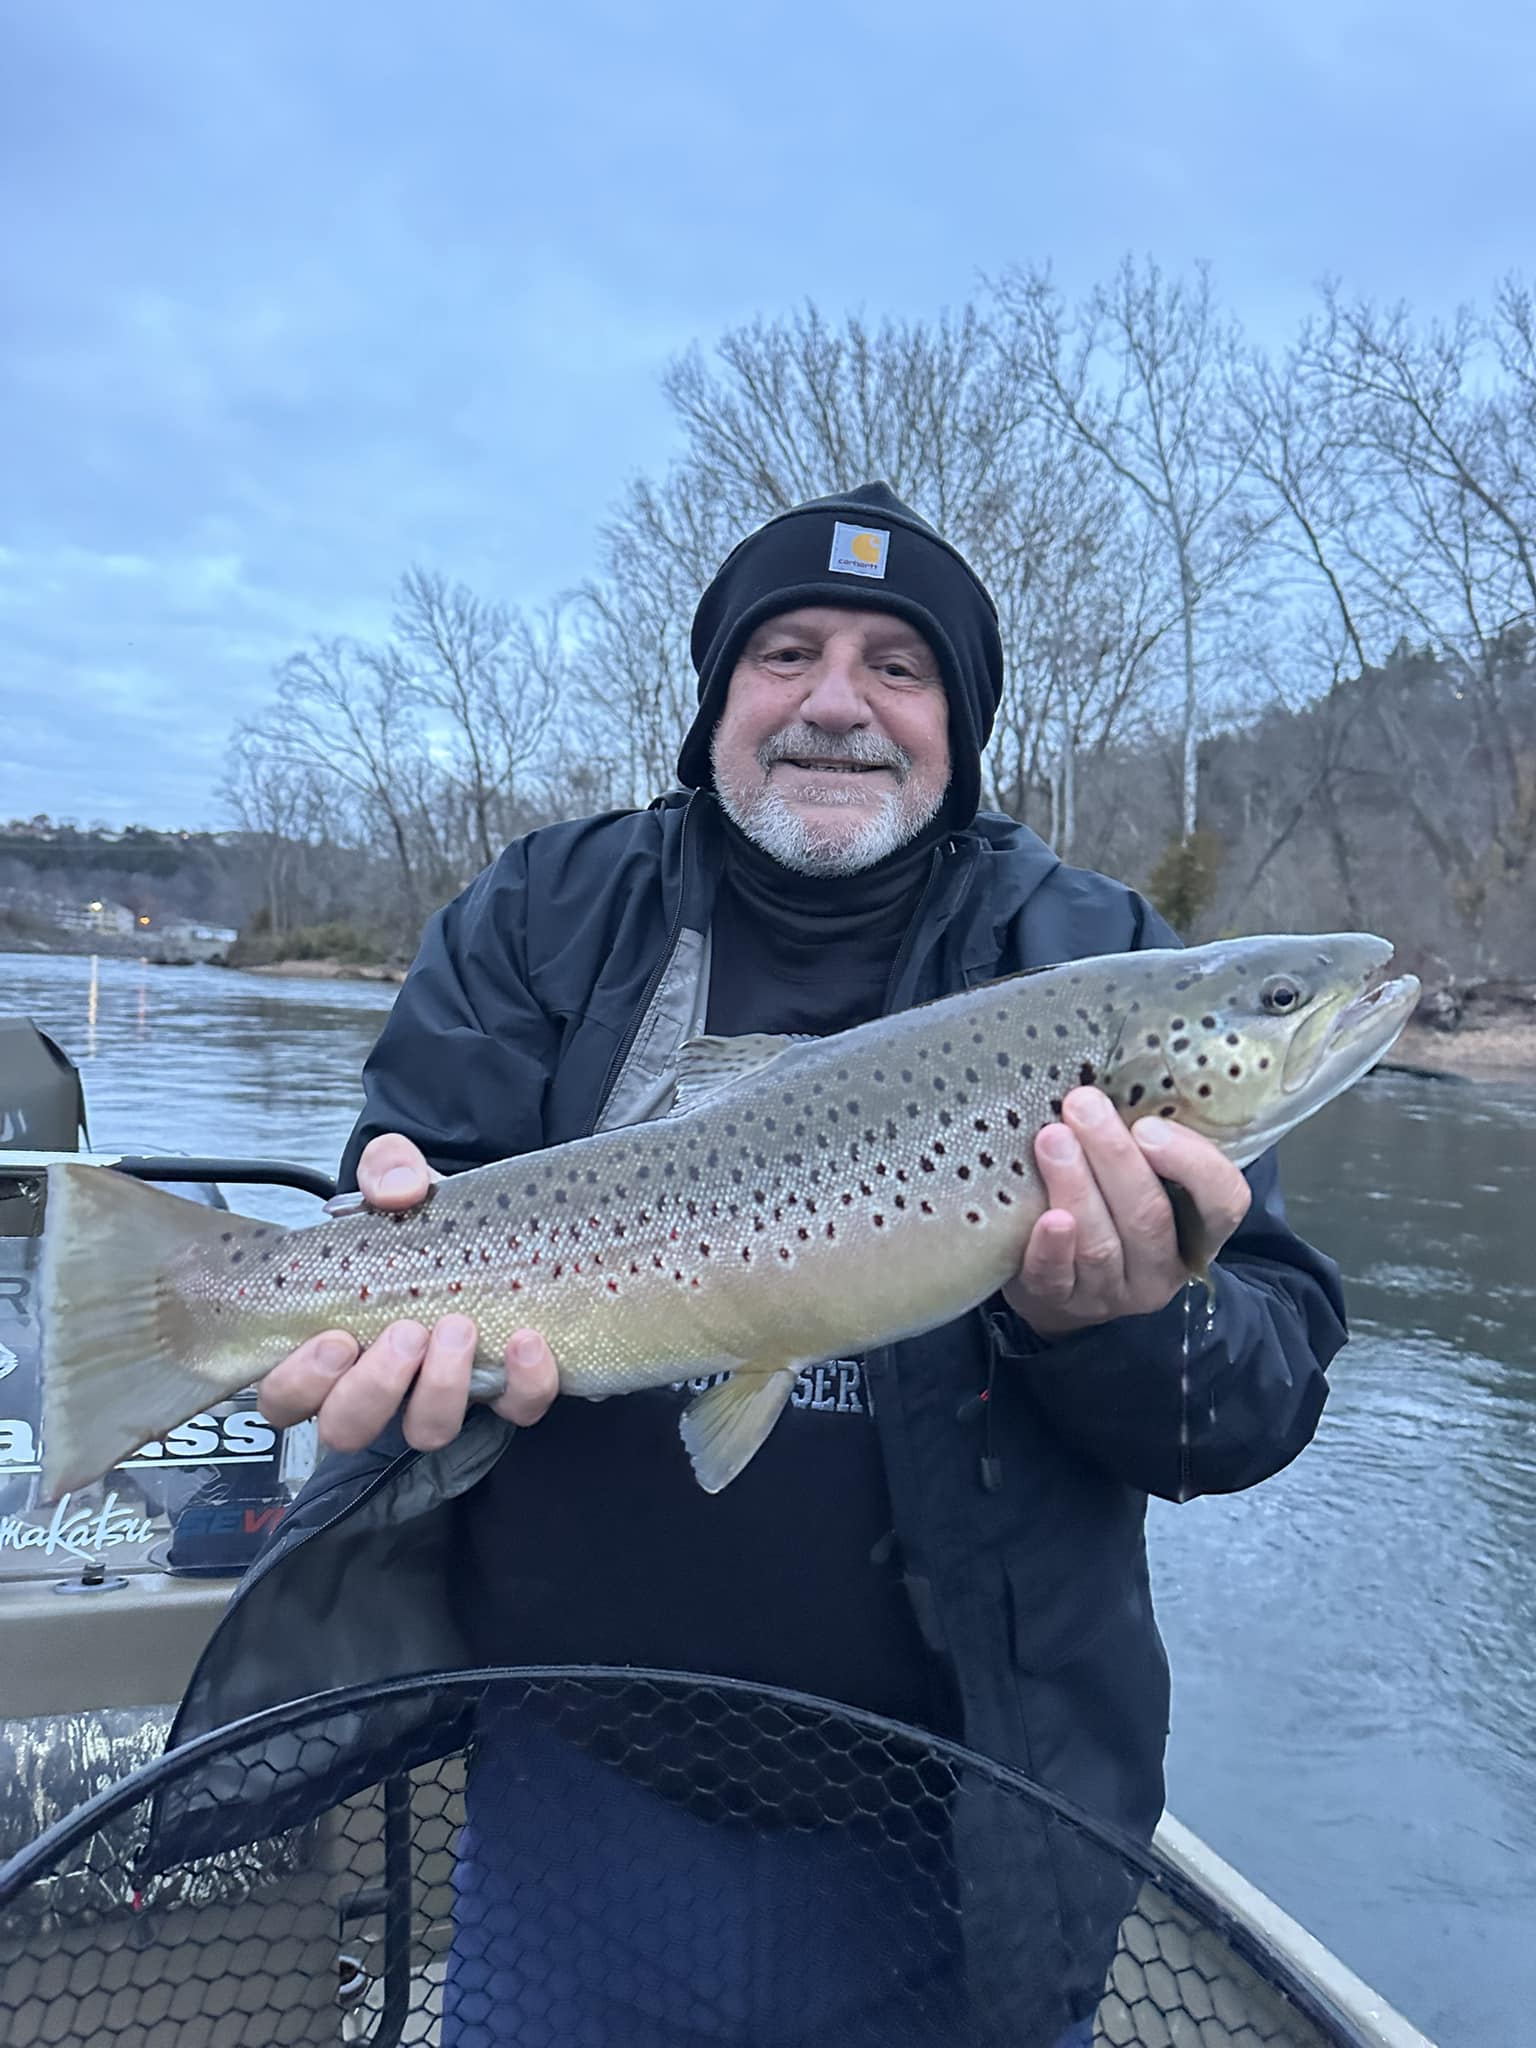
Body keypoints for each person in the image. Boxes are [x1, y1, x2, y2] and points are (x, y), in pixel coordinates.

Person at [157, 484, 1346, 2046]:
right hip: (573, 1778)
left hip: (970, 1822)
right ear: (718, 697)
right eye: (786, 651)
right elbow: (412, 1181)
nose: (836, 701)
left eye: (897, 666)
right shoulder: (544, 914)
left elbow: (1249, 1408)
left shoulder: (1088, 957)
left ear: (960, 722)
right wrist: (361, 1293)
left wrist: (1116, 1324)